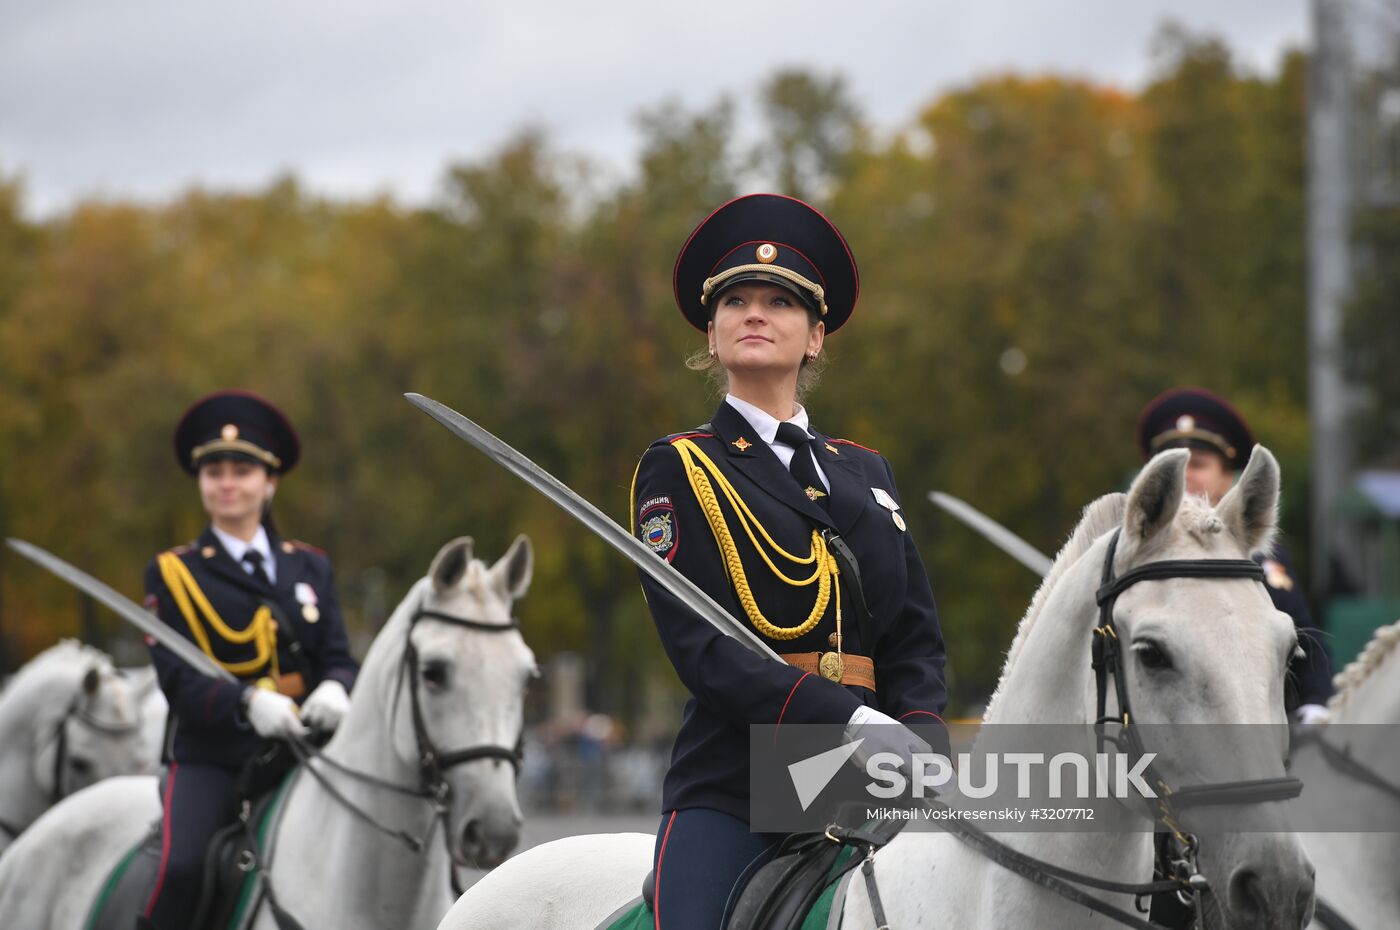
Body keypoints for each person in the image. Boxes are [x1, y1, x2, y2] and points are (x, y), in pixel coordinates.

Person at [631, 194, 949, 930]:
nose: (755, 312)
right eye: (735, 301)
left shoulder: (867, 472)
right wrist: (847, 719)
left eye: (780, 302)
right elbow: (702, 648)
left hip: (877, 777)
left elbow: (912, 635)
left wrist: (923, 734)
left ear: (814, 338)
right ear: (711, 336)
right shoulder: (682, 467)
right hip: (740, 782)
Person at [137, 390, 359, 930]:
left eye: (241, 469)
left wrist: (335, 688)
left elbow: (338, 657)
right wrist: (246, 702)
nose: (227, 483)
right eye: (214, 471)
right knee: (182, 868)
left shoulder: (310, 567)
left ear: (270, 481)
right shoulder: (173, 573)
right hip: (217, 759)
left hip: (306, 751)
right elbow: (179, 682)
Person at [1136, 387, 1333, 721]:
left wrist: (1315, 705)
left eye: (1197, 464)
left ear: (1227, 477)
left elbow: (1303, 639)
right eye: (1171, 466)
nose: (1185, 475)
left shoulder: (1263, 558)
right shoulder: (1130, 554)